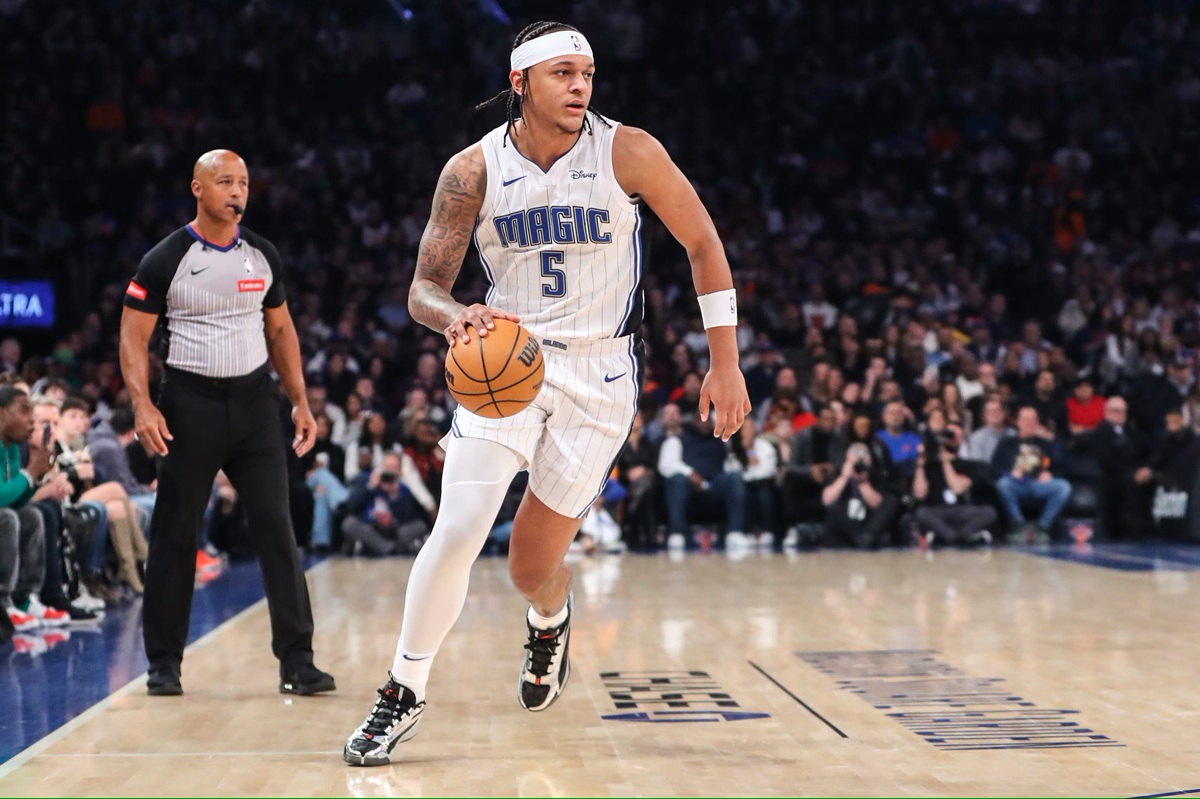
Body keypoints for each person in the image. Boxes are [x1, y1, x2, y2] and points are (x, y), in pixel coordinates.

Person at [343, 21, 750, 766]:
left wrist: (725, 362)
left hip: (600, 375)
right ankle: (402, 689)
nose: (580, 87)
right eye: (563, 73)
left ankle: (549, 616)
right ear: (521, 82)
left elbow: (703, 241)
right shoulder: (472, 169)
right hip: (509, 364)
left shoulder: (629, 150)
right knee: (461, 524)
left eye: (587, 73)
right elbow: (423, 289)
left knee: (529, 564)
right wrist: (454, 313)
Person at [119, 149, 334, 697]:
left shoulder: (262, 255)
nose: (237, 192)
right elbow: (133, 337)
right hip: (190, 404)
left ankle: (297, 660)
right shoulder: (165, 259)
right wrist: (143, 404)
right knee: (175, 532)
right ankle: (164, 662)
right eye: (224, 182)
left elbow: (282, 331)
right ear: (197, 188)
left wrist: (300, 402)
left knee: (276, 527)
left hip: (256, 405)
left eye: (243, 182)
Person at [991, 406, 1073, 544]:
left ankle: (1043, 526)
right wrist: (1010, 474)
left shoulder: (1045, 444)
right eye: (1026, 419)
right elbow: (993, 469)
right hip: (1016, 484)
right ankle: (1017, 524)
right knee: (1003, 484)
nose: (1030, 423)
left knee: (1063, 487)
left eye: (1033, 420)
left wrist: (1049, 473)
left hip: (1039, 485)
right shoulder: (1006, 444)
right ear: (1018, 422)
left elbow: (1061, 465)